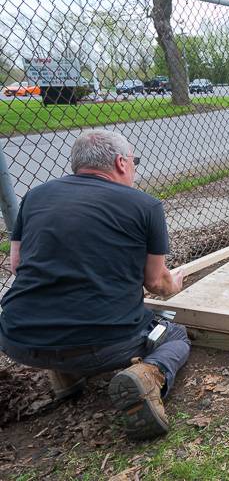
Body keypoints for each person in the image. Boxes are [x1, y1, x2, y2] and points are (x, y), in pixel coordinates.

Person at [0, 130, 188, 440]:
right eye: (134, 161)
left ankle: (67, 378)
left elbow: (17, 265)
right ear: (121, 162)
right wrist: (174, 285)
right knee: (174, 334)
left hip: (18, 339)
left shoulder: (36, 196)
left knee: (63, 310)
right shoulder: (145, 205)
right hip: (102, 345)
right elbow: (156, 282)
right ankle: (148, 375)